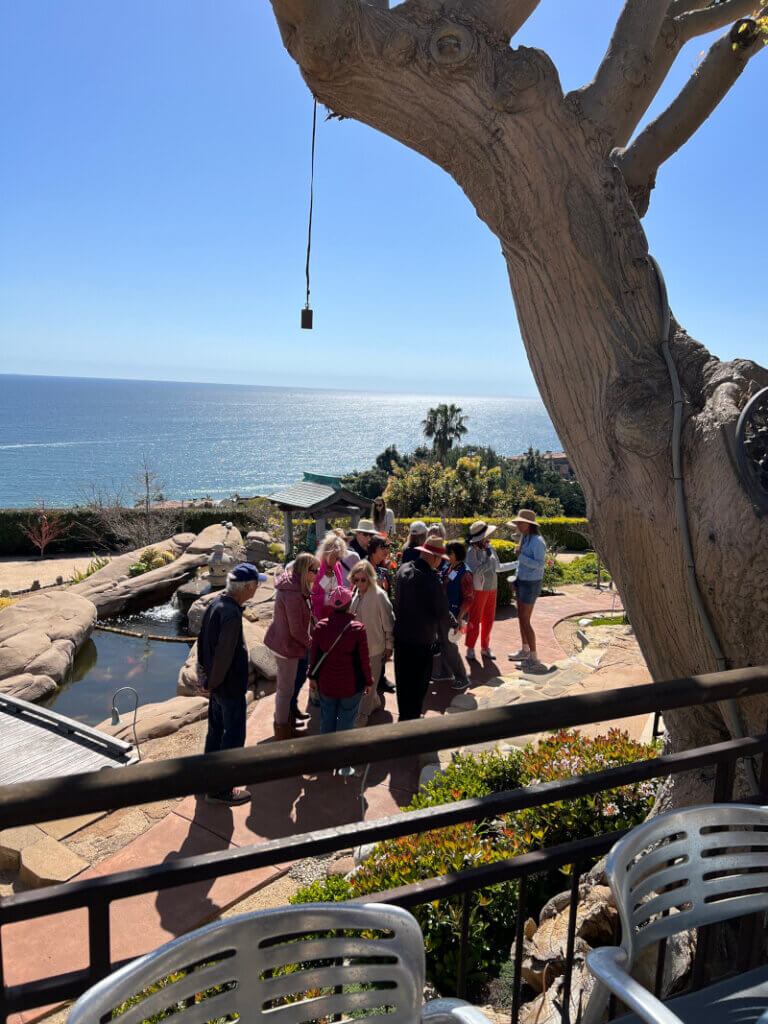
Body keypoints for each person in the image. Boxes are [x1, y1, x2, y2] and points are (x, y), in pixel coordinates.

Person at [198, 562, 266, 804]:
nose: (258, 588)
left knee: (215, 732)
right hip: (227, 688)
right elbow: (224, 654)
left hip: (216, 686)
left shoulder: (215, 604)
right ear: (247, 587)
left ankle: (207, 778)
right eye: (257, 584)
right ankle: (222, 790)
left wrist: (204, 678)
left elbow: (202, 643)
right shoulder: (232, 614)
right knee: (233, 736)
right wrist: (213, 682)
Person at [308, 587, 373, 775]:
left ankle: (325, 760)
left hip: (327, 684)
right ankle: (345, 765)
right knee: (347, 722)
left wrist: (312, 677)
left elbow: (315, 657)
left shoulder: (320, 627)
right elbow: (364, 660)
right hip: (351, 686)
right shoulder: (357, 629)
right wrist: (369, 681)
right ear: (348, 604)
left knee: (327, 719)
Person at [393, 536, 454, 721]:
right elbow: (442, 611)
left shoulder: (403, 570)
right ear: (434, 558)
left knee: (403, 686)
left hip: (401, 638)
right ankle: (412, 729)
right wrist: (455, 623)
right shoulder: (431, 580)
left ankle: (404, 721)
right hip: (421, 642)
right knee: (418, 689)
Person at [264, 552, 318, 739]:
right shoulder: (293, 594)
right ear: (305, 571)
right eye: (314, 570)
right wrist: (312, 644)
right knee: (285, 690)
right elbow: (296, 630)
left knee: (287, 688)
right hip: (287, 646)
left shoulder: (295, 586)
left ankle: (287, 718)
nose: (317, 574)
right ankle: (282, 730)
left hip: (286, 642)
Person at [349, 560, 394, 725]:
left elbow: (389, 621)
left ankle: (363, 714)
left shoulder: (378, 595)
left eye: (363, 579)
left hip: (374, 647)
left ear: (370, 578)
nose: (359, 583)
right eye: (356, 579)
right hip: (357, 647)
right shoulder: (356, 591)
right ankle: (373, 701)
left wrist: (389, 646)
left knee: (368, 682)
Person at [507, 509, 547, 670]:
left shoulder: (537, 541)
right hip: (522, 581)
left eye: (520, 523)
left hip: (531, 583)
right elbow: (521, 563)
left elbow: (539, 564)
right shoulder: (525, 537)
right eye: (517, 523)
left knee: (525, 619)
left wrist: (520, 556)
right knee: (521, 617)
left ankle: (534, 657)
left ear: (529, 524)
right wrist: (515, 578)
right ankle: (525, 650)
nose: (518, 526)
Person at [437, 541, 474, 690]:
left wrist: (459, 617)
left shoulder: (465, 573)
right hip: (445, 612)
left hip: (455, 615)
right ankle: (446, 672)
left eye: (450, 553)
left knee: (451, 645)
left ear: (457, 555)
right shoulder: (449, 567)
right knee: (444, 643)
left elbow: (469, 598)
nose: (447, 555)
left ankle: (462, 677)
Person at [465, 520, 501, 661]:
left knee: (489, 619)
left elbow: (496, 566)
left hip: (492, 588)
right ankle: (470, 648)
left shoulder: (489, 548)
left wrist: (517, 564)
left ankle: (485, 647)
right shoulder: (472, 551)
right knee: (474, 618)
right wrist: (488, 563)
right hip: (478, 589)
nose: (488, 538)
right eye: (486, 536)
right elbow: (473, 570)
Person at [311, 532, 347, 621]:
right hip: (319, 617)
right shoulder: (315, 569)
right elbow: (310, 597)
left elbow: (339, 588)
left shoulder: (337, 567)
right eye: (336, 557)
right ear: (327, 554)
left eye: (339, 557)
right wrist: (328, 598)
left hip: (335, 615)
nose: (338, 560)